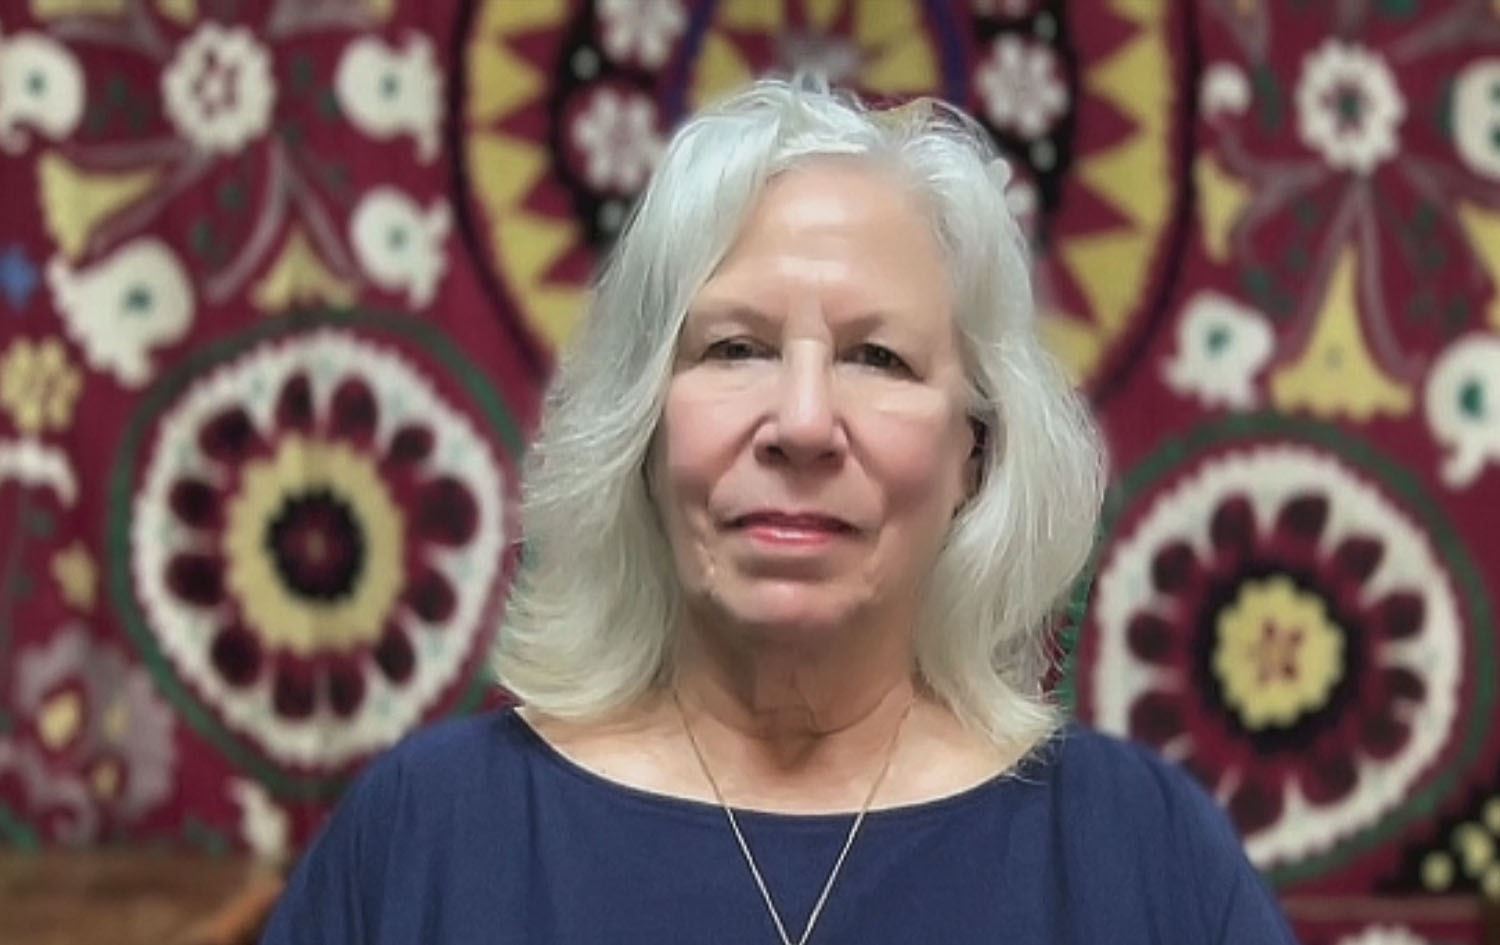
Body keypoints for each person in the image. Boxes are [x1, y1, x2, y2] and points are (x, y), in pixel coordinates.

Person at [260, 78, 1297, 944]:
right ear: (643, 429)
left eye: (877, 357)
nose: (802, 423)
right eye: (736, 348)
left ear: (973, 455)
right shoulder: (428, 838)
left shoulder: (1144, 856)